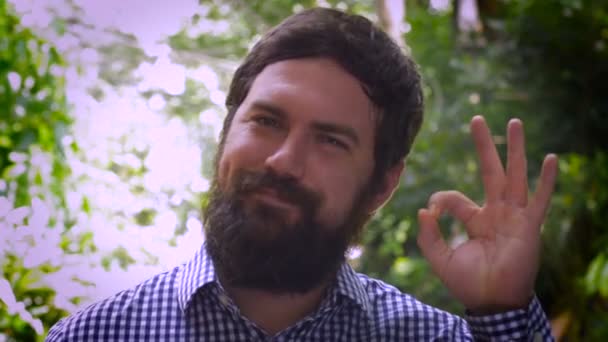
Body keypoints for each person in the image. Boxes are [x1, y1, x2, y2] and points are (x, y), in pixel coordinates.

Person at [46, 7, 558, 341]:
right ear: (227, 133)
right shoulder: (93, 335)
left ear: (382, 184)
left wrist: (503, 313)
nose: (283, 161)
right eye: (267, 121)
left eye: (331, 141)